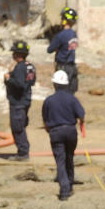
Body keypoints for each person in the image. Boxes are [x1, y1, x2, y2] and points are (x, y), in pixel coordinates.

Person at [41, 70, 85, 201]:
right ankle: (70, 184)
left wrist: (50, 130)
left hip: (56, 132)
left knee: (60, 161)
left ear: (54, 84)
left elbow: (45, 120)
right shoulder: (72, 99)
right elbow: (81, 115)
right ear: (66, 84)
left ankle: (64, 191)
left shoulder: (49, 100)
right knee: (69, 158)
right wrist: (80, 124)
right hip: (71, 131)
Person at [3, 40, 36, 161]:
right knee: (21, 125)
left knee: (17, 127)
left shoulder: (20, 68)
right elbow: (31, 81)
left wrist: (8, 79)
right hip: (25, 101)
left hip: (18, 102)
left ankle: (23, 153)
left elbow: (20, 84)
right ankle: (22, 151)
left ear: (17, 54)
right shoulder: (30, 66)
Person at [47, 7, 79, 94]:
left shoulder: (61, 35)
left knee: (61, 92)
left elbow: (49, 49)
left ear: (64, 20)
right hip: (72, 67)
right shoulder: (74, 34)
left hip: (63, 67)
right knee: (71, 92)